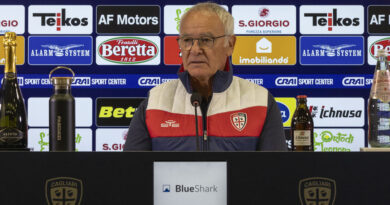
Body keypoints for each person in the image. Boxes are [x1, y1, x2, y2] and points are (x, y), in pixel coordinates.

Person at [124, 2, 287, 151]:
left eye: (206, 40)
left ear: (230, 44)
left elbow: (274, 175)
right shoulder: (154, 102)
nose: (195, 50)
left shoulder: (260, 101)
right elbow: (131, 174)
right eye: (187, 40)